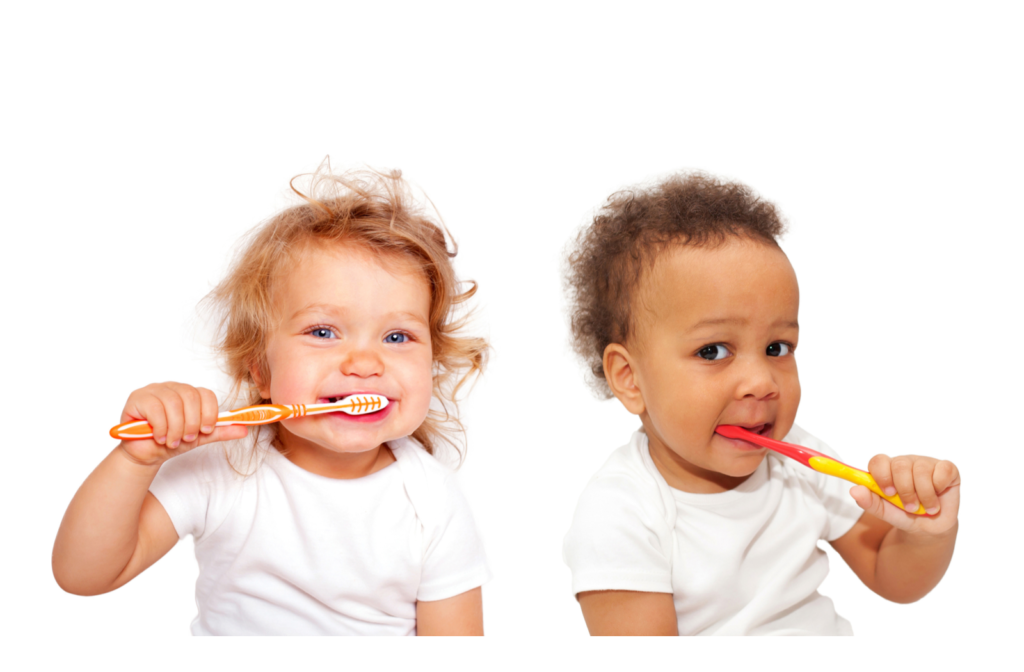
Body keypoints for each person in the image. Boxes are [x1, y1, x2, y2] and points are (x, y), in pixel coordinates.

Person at [53, 166, 491, 635]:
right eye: (323, 332)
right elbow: (83, 575)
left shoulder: (431, 500)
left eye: (398, 336)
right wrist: (135, 461)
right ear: (260, 368)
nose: (365, 362)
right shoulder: (222, 466)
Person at [561, 173, 960, 635]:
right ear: (629, 379)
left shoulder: (799, 461)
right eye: (713, 351)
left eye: (777, 348)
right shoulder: (621, 515)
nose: (761, 382)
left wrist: (926, 531)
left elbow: (893, 577)